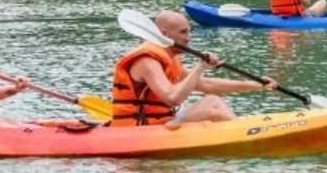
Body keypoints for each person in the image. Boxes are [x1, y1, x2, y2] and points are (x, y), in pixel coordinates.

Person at [110, 10, 276, 126]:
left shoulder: (171, 59)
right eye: (183, 32)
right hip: (141, 128)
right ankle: (243, 134)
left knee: (213, 100)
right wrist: (199, 68)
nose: (189, 38)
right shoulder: (147, 61)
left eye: (189, 32)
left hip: (162, 122)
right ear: (164, 35)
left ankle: (239, 130)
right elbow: (171, 98)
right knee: (212, 114)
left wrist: (254, 84)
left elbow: (207, 85)